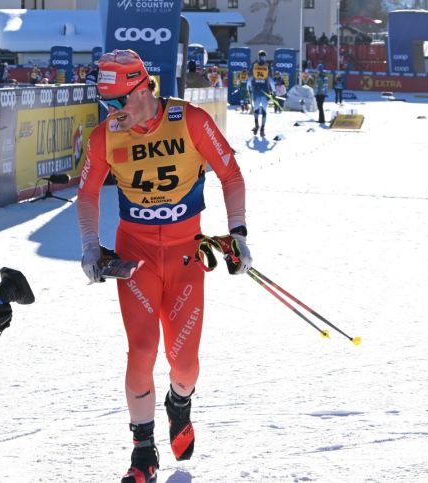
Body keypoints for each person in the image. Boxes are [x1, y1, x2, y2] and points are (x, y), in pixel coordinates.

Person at [76, 49, 251, 483]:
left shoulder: (190, 120)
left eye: (118, 102)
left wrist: (238, 233)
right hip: (136, 257)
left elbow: (231, 174)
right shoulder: (106, 136)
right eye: (107, 105)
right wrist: (89, 246)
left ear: (142, 88)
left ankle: (179, 400)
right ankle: (142, 453)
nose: (114, 113)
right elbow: (87, 194)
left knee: (184, 363)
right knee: (141, 351)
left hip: (185, 253)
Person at [250, 50, 270, 136]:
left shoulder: (267, 66)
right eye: (262, 56)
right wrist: (251, 86)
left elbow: (270, 79)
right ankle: (257, 125)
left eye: (264, 56)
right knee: (257, 109)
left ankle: (262, 128)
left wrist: (272, 91)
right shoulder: (255, 65)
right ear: (259, 57)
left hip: (264, 91)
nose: (263, 58)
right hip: (257, 91)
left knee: (263, 110)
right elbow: (251, 78)